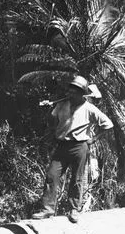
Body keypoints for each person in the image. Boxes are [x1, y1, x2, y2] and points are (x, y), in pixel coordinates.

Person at [32, 75, 114, 224]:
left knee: (77, 180)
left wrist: (94, 139)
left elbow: (108, 124)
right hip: (62, 146)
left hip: (80, 147)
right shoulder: (61, 105)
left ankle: (74, 210)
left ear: (82, 94)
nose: (70, 94)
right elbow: (52, 121)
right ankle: (47, 210)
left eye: (74, 92)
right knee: (51, 175)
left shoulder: (90, 108)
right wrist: (48, 108)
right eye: (69, 91)